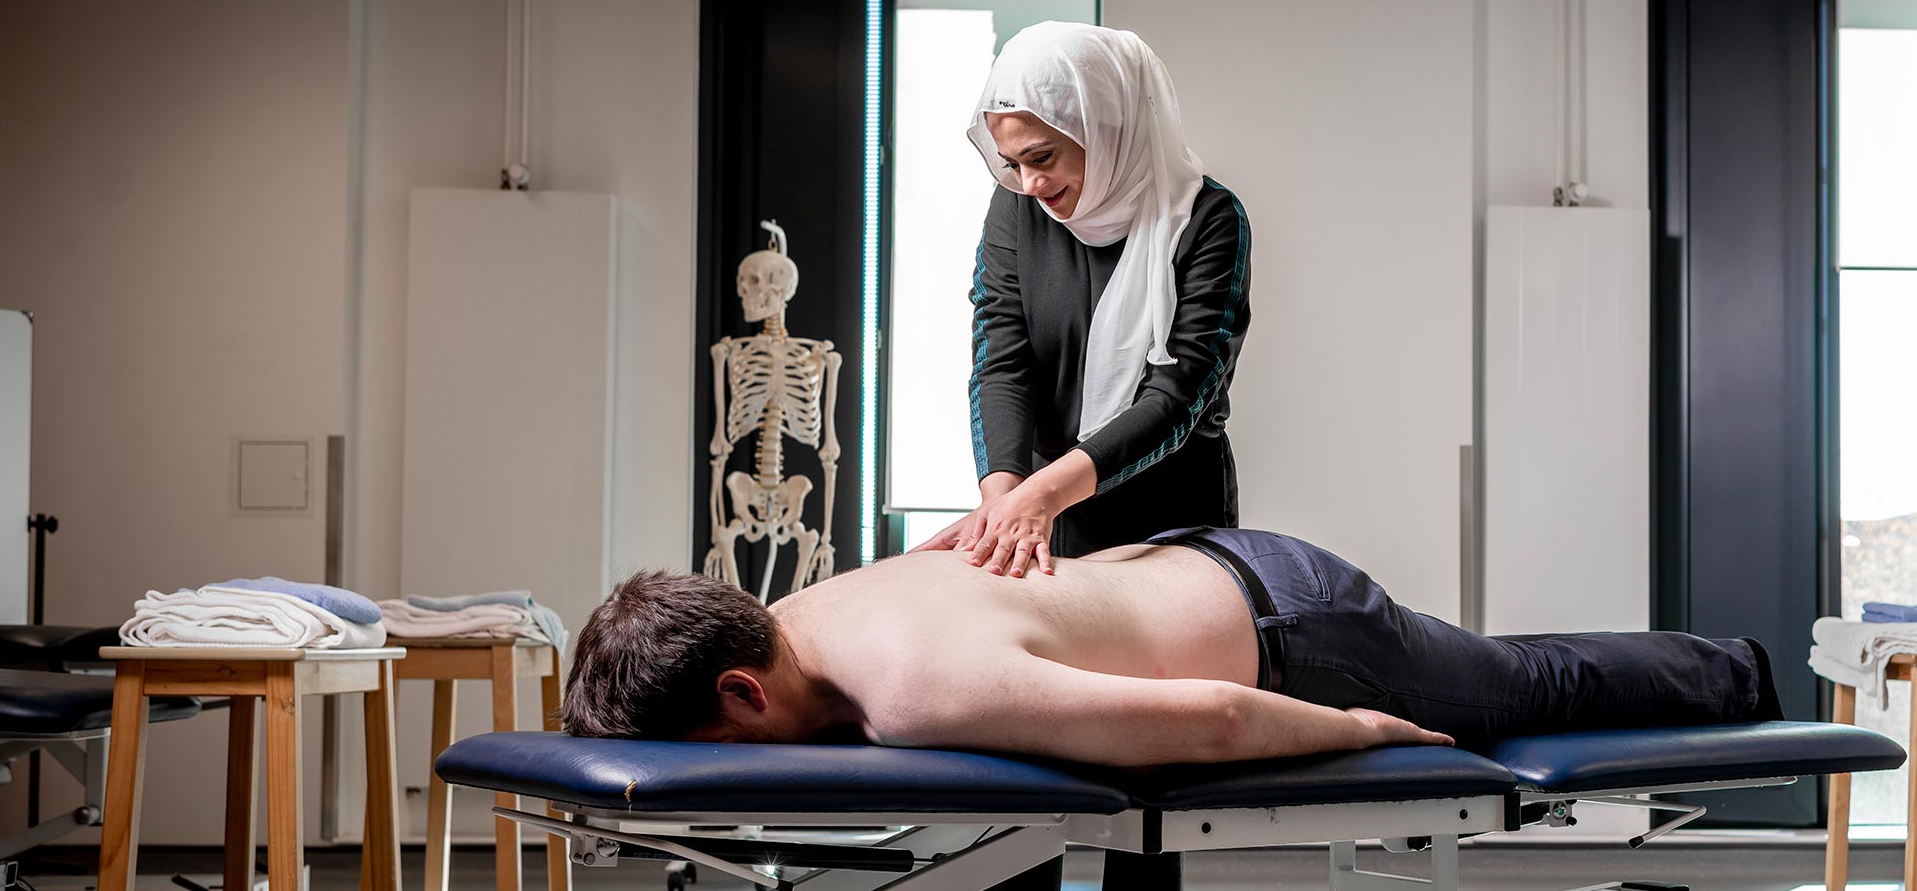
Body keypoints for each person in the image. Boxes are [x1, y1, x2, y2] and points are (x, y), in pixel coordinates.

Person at [563, 526, 1780, 768]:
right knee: (1489, 658)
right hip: (1204, 565)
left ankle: (1741, 672)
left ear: (739, 682)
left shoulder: (915, 688)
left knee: (1519, 691)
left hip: (1300, 639)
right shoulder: (807, 611)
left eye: (713, 742)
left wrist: (1368, 733)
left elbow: (1212, 723)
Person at [915, 22, 1251, 582]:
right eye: (1011, 162)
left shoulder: (1208, 220)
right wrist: (1001, 501)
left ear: (1104, 125)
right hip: (1042, 517)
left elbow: (1177, 394)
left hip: (1172, 524)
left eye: (1042, 156)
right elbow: (1001, 361)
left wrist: (1039, 497)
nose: (1028, 182)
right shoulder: (1017, 209)